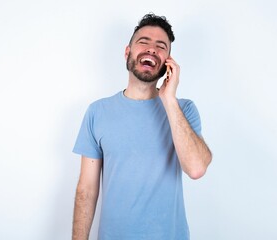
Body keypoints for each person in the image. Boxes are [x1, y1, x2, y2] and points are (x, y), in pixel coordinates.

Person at [72, 13, 212, 240]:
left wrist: (169, 99)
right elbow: (86, 191)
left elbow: (196, 168)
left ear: (168, 62)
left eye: (161, 46)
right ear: (128, 53)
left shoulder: (183, 110)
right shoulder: (97, 112)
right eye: (143, 42)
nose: (151, 49)